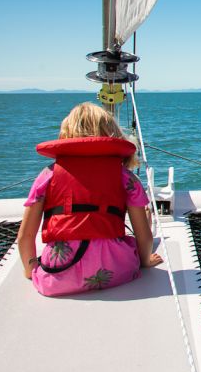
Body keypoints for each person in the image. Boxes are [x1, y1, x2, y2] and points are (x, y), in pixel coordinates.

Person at [17, 102, 163, 296]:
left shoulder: (48, 175)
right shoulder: (126, 178)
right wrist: (145, 261)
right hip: (119, 270)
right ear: (111, 134)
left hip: (59, 276)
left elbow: (25, 236)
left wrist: (31, 269)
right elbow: (143, 236)